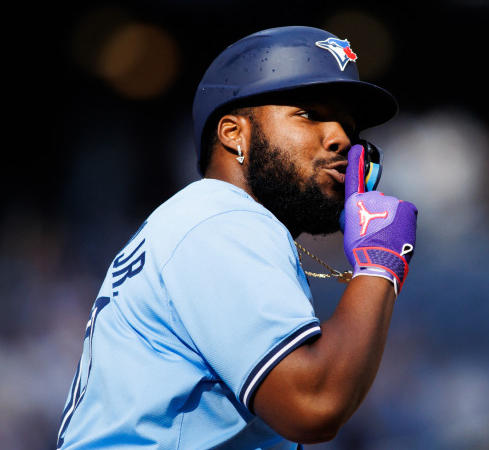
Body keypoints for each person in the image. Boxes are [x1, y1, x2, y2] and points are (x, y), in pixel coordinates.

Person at [56, 26, 419, 449]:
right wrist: (378, 266)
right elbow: (313, 404)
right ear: (233, 133)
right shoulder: (219, 216)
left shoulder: (201, 221)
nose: (341, 138)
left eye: (349, 126)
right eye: (311, 114)